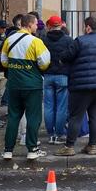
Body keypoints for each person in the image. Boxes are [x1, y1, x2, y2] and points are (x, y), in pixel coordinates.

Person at [55, 16, 96, 156]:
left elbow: (66, 57)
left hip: (81, 85)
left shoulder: (80, 41)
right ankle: (92, 146)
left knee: (76, 116)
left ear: (88, 27)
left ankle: (69, 147)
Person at [1, 13, 51, 160]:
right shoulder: (36, 42)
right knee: (33, 117)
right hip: (32, 86)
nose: (37, 26)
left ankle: (8, 150)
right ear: (29, 25)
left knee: (13, 117)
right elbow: (45, 63)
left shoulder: (9, 40)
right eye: (36, 24)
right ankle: (32, 149)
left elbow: (4, 61)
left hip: (14, 84)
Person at [41, 16, 73, 145]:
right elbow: (72, 57)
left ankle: (50, 134)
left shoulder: (43, 40)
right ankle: (59, 134)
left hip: (47, 75)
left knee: (48, 106)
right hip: (63, 76)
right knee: (61, 107)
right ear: (61, 25)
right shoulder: (68, 40)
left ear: (48, 26)